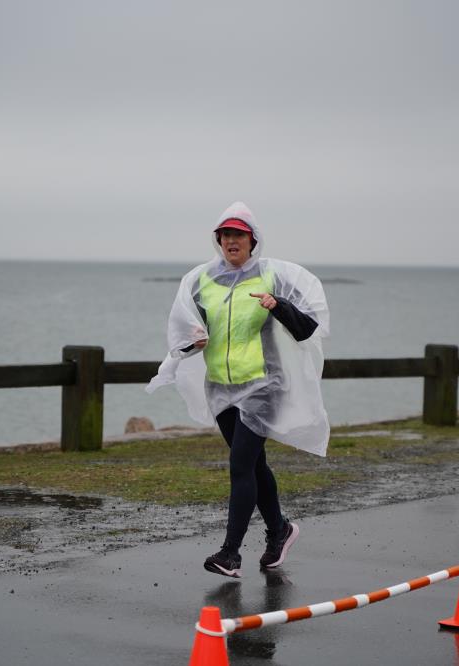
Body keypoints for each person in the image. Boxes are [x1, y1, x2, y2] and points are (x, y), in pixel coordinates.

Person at [147, 201, 330, 578]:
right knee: (254, 464)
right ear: (218, 240)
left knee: (240, 465)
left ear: (253, 240)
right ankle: (280, 530)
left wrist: (278, 305)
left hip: (263, 385)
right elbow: (186, 329)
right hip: (220, 387)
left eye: (239, 235)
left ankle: (230, 553)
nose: (232, 240)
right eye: (225, 235)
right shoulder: (201, 280)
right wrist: (194, 340)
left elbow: (308, 327)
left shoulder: (274, 276)